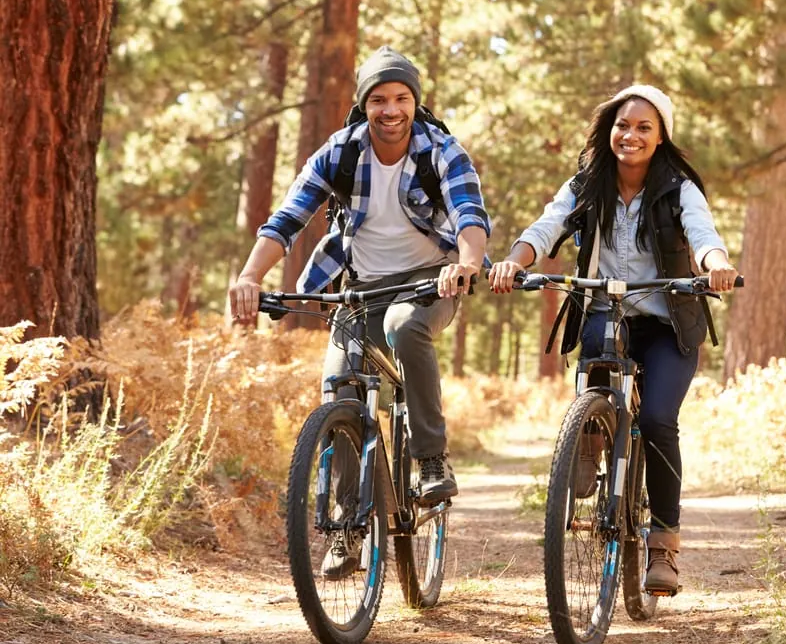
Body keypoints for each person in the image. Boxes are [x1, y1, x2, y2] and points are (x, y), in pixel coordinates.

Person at [229, 46, 489, 540]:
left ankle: (431, 459)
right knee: (339, 387)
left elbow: (469, 216)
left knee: (403, 326)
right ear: (364, 104)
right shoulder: (341, 151)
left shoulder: (441, 151)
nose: (390, 110)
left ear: (414, 102)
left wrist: (467, 264)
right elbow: (287, 220)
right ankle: (348, 527)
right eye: (378, 99)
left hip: (431, 281)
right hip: (361, 288)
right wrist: (248, 276)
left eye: (400, 98)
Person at [489, 85, 737, 596]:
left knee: (657, 419)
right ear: (610, 130)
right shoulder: (588, 182)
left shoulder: (678, 189)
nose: (632, 135)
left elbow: (704, 234)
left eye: (645, 127)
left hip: (667, 321)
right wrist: (516, 259)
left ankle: (663, 545)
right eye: (624, 125)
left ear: (661, 136)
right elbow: (546, 225)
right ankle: (590, 436)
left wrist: (716, 266)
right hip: (606, 310)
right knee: (598, 362)